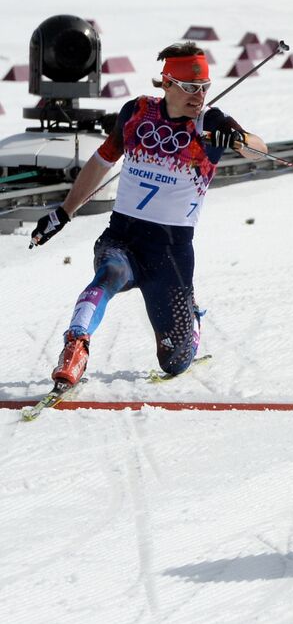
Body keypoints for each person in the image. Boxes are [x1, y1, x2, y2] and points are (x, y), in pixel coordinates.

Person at [29, 41, 265, 388]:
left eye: (204, 88)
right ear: (167, 82)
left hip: (171, 254)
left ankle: (191, 316)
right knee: (108, 275)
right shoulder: (137, 112)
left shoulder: (211, 122)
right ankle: (76, 346)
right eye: (189, 88)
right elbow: (101, 161)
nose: (198, 96)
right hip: (123, 236)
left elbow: (259, 151)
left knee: (174, 362)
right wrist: (64, 212)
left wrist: (240, 138)